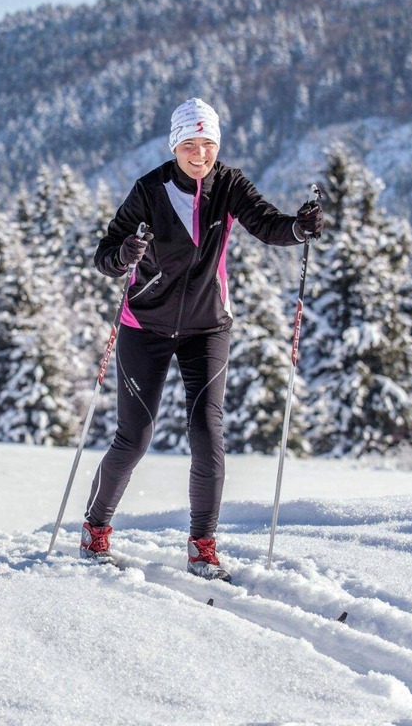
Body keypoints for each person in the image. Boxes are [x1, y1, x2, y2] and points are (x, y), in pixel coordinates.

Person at [81, 98, 323, 580]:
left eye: (207, 143)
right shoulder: (149, 190)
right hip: (143, 326)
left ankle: (203, 546)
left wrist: (297, 228)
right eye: (189, 144)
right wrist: (124, 254)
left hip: (207, 326)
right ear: (175, 146)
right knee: (135, 437)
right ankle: (96, 527)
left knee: (208, 435)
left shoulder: (229, 184)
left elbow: (266, 223)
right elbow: (104, 254)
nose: (199, 153)